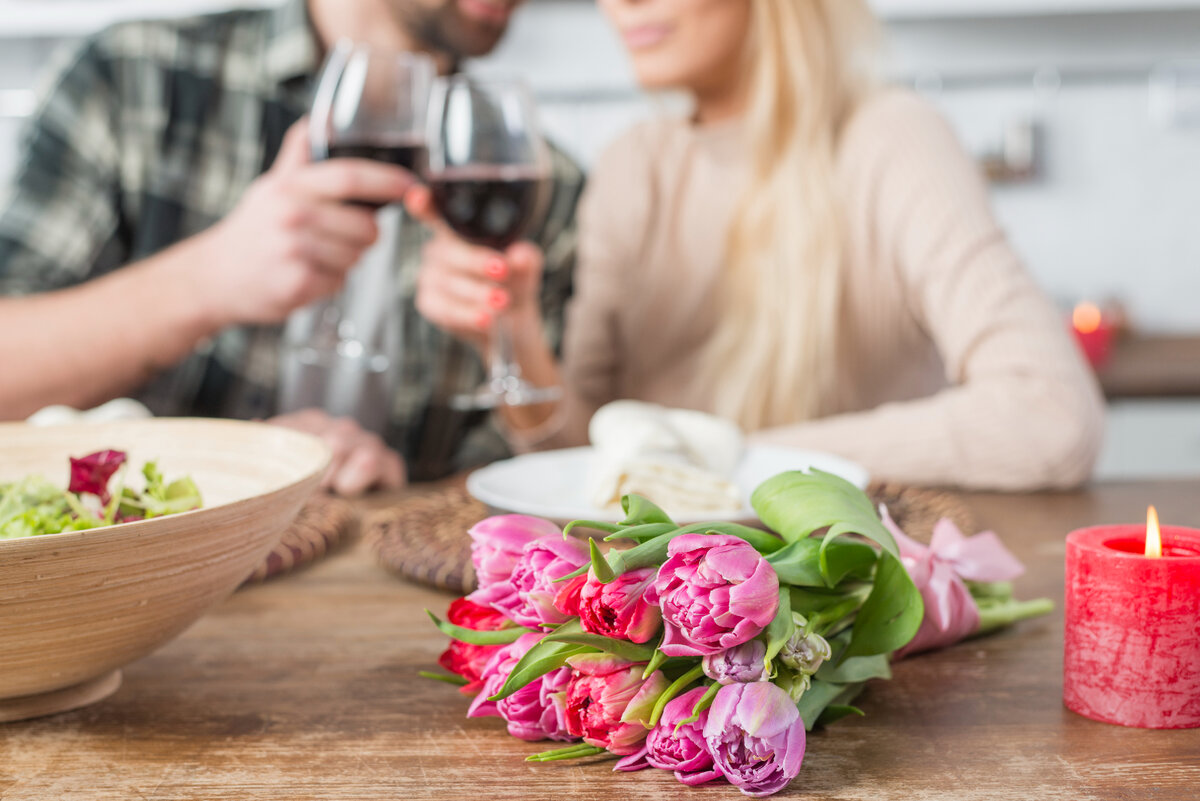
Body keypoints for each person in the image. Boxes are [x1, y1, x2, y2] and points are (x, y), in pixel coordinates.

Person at [413, 0, 1105, 491]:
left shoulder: (892, 139)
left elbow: (1051, 416)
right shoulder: (634, 165)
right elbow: (582, 459)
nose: (621, 3)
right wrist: (512, 332)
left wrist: (720, 463)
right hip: (666, 614)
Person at [0, 0, 584, 494]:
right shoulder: (133, 79)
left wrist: (396, 487)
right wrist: (207, 278)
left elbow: (540, 487)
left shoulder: (539, 179)